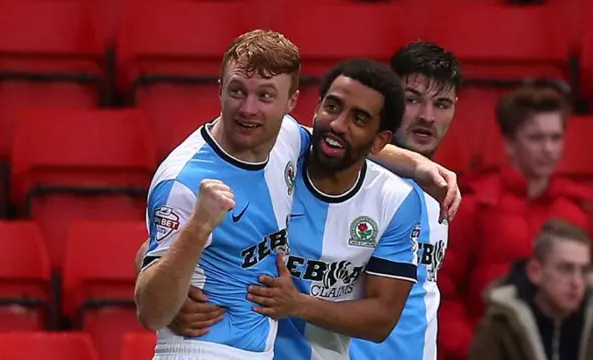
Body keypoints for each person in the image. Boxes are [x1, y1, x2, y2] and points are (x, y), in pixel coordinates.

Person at [135, 30, 460, 360]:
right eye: (238, 91)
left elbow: (383, 317)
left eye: (265, 96)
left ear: (290, 103)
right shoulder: (191, 176)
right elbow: (156, 258)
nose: (249, 109)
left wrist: (418, 165)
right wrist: (168, 289)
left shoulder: (290, 141)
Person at [246, 58, 421, 359]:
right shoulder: (273, 158)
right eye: (333, 107)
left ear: (380, 141)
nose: (338, 125)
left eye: (359, 119)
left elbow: (382, 319)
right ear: (316, 107)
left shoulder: (394, 200)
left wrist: (297, 304)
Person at [438, 85, 593, 360]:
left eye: (555, 138)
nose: (548, 149)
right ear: (509, 143)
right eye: (536, 138)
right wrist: (473, 350)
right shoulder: (475, 206)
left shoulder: (580, 209)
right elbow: (443, 289)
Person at [350, 41, 462, 360]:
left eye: (441, 104)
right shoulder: (350, 176)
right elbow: (316, 134)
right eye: (413, 100)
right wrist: (415, 163)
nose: (427, 116)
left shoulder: (442, 189)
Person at [469, 218, 593, 360]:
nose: (577, 282)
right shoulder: (501, 327)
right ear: (535, 271)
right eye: (565, 269)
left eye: (584, 271)